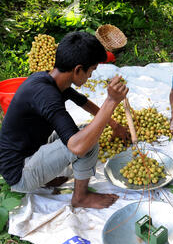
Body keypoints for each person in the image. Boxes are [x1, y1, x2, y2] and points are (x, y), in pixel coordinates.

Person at [0, 31, 130, 209]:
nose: (90, 76)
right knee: (87, 142)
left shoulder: (51, 80)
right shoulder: (47, 95)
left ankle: (47, 176)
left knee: (86, 130)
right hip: (20, 174)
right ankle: (80, 197)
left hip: (27, 155)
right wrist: (111, 102)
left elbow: (84, 103)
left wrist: (115, 125)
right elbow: (78, 146)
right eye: (91, 70)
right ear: (78, 69)